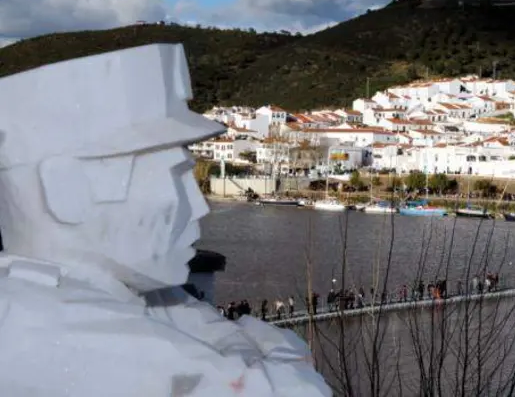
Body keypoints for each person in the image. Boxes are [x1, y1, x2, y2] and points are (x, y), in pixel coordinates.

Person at [0, 45, 330, 396]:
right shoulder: (52, 333)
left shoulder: (114, 294)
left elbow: (197, 321)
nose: (199, 207)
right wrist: (277, 351)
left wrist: (247, 355)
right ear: (66, 189)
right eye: (176, 176)